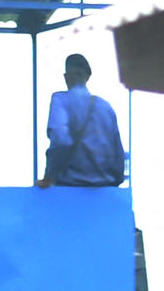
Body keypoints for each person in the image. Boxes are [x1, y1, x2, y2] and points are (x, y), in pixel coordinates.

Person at [41, 52, 128, 189]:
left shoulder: (61, 100)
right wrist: (115, 181)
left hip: (69, 185)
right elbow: (117, 151)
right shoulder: (105, 107)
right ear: (87, 77)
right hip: (103, 185)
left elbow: (60, 139)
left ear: (66, 76)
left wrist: (49, 177)